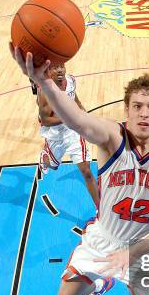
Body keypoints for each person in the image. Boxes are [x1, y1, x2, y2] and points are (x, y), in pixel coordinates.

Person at [11, 44, 149, 295]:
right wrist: (44, 82)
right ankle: (102, 283)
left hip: (145, 245)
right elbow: (78, 121)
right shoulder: (113, 136)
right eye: (137, 106)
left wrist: (133, 253)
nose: (144, 113)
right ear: (127, 109)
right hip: (107, 236)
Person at [37, 62, 99, 207]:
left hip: (73, 132)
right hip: (54, 134)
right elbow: (45, 120)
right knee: (52, 165)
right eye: (55, 67)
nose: (60, 70)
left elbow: (75, 99)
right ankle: (45, 157)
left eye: (61, 66)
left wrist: (82, 111)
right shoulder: (45, 92)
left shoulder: (70, 81)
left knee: (87, 172)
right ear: (48, 71)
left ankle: (100, 209)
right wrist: (69, 117)